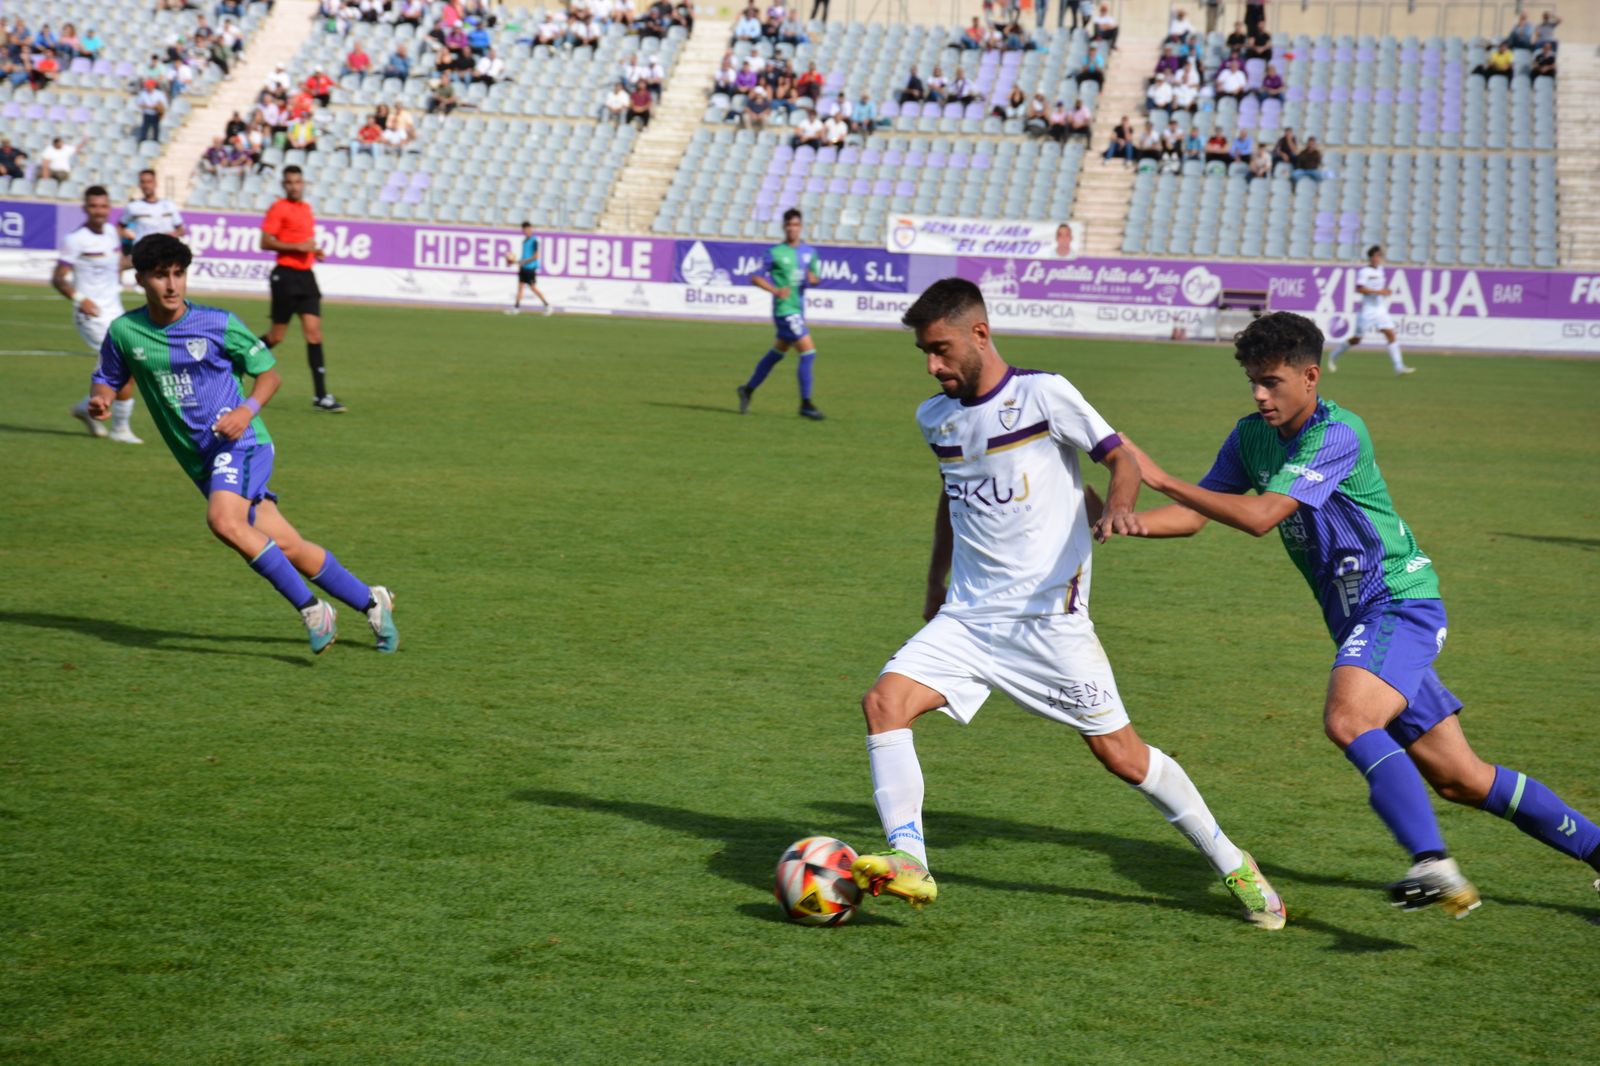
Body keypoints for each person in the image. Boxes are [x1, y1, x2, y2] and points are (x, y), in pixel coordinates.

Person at [1113, 310, 1600, 915]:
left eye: (1273, 382)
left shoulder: (1338, 432)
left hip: (1398, 602)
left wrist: (1157, 476)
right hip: (1360, 622)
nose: (1261, 395)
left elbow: (1262, 517)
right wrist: (1116, 522)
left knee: (1348, 719)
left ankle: (1433, 862)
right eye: (1253, 383)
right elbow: (1194, 517)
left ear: (1311, 376)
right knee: (1460, 778)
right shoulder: (1250, 437)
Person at [847, 278, 1286, 929]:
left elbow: (1121, 459)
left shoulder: (1042, 394)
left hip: (1049, 627)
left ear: (979, 334)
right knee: (884, 703)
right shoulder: (933, 417)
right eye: (923, 353)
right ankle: (910, 858)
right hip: (967, 620)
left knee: (1123, 757)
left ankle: (1232, 862)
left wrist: (1121, 508)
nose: (932, 365)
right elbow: (955, 492)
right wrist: (935, 581)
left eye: (940, 350)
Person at [86, 235, 398, 656]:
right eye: (161, 276)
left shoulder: (217, 323)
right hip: (201, 461)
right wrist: (102, 396)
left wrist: (246, 411)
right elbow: (107, 375)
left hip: (244, 443)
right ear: (140, 278)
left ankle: (312, 609)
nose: (172, 285)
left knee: (224, 522)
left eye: (178, 274)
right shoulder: (125, 331)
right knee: (286, 545)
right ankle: (372, 601)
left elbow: (268, 373)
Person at [60, 187, 140, 444]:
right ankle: (120, 429)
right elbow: (58, 278)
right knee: (126, 366)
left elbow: (116, 264)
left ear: (109, 208)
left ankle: (88, 407)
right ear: (85, 208)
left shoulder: (110, 234)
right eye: (93, 206)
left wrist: (146, 259)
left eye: (103, 206)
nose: (99, 211)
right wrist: (79, 299)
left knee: (125, 366)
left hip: (115, 311)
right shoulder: (75, 239)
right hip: (91, 315)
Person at [260, 166, 342, 412]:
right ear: (284, 185)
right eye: (289, 182)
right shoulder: (278, 208)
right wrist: (299, 247)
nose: (294, 186)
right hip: (284, 277)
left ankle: (321, 396)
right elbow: (265, 241)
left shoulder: (306, 209)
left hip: (306, 277)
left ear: (303, 183)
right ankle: (232, 359)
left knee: (315, 334)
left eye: (297, 182)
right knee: (276, 337)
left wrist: (313, 251)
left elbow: (303, 243)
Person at [735, 208, 824, 421]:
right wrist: (775, 291)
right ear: (784, 227)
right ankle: (806, 404)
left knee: (777, 353)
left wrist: (813, 280)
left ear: (800, 227)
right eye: (789, 225)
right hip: (784, 311)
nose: (792, 229)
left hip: (798, 310)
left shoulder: (810, 253)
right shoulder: (774, 252)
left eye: (796, 225)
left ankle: (747, 390)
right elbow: (755, 277)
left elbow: (815, 278)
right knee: (808, 352)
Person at [1325, 245, 1411, 375]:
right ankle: (1334, 355)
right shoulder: (1364, 272)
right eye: (1376, 256)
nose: (1378, 258)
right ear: (1371, 257)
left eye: (1380, 256)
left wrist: (1386, 290)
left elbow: (1380, 287)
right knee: (1357, 339)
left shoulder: (1380, 270)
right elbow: (1359, 288)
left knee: (1390, 333)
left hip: (1380, 309)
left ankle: (1398, 367)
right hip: (1367, 310)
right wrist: (1379, 291)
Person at [503, 220, 553, 316]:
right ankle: (516, 308)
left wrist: (524, 262)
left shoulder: (534, 241)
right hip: (523, 268)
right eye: (524, 229)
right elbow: (524, 256)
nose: (525, 231)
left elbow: (536, 256)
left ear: (530, 229)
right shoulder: (524, 241)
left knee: (533, 288)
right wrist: (515, 262)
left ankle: (547, 305)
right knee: (520, 288)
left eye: (527, 229)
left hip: (530, 268)